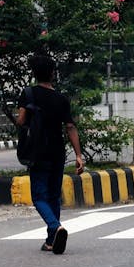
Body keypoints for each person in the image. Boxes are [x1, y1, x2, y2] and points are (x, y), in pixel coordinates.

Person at [16, 53, 84, 254]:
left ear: (34, 73)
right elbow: (70, 127)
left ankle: (56, 228)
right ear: (53, 74)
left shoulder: (29, 94)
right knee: (54, 195)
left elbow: (21, 121)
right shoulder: (61, 99)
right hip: (57, 151)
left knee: (39, 196)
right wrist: (79, 155)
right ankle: (50, 240)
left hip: (38, 151)